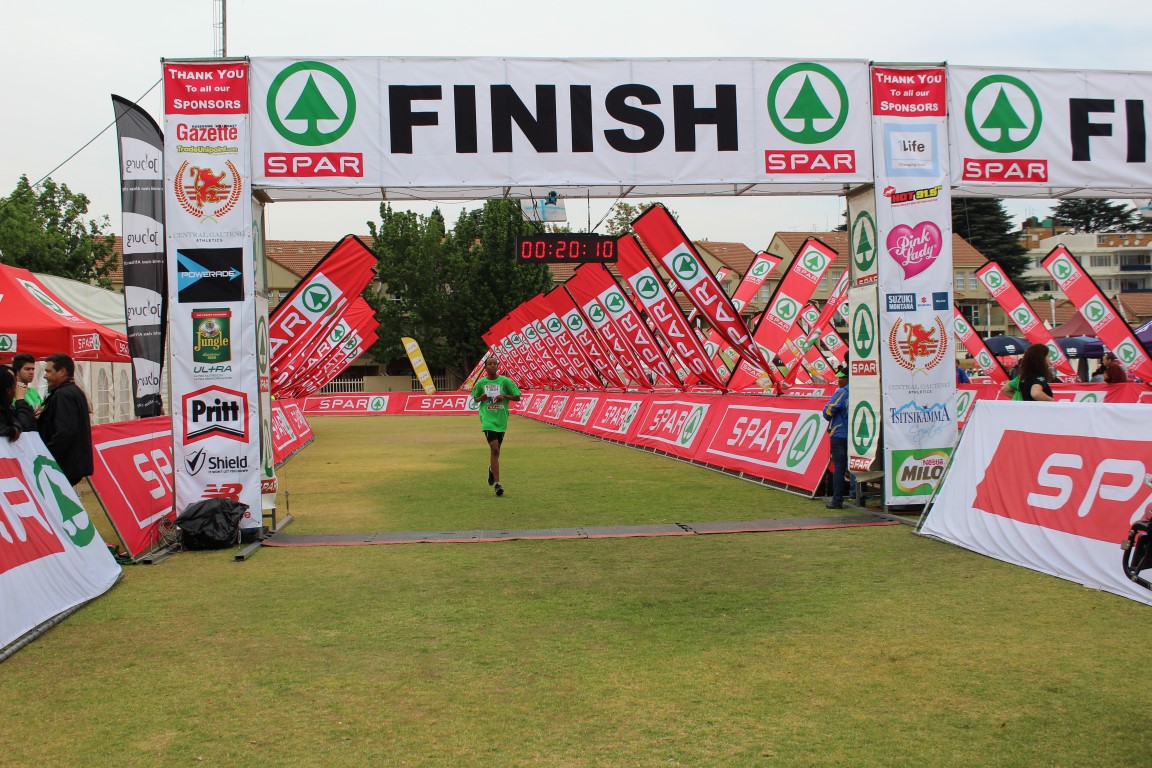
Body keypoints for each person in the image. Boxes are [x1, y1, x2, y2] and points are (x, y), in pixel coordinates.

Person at [37, 353, 93, 485]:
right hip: (71, 464)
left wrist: (45, 455)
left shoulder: (64, 394)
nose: (45, 376)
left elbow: (65, 432)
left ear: (62, 371)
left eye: (48, 371)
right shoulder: (73, 391)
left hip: (64, 465)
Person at [470, 357, 521, 497]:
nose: (492, 366)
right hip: (487, 419)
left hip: (501, 419)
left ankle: (492, 469)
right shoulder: (481, 383)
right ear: (485, 367)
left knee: (496, 451)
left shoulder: (505, 381)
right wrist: (481, 398)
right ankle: (498, 484)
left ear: (498, 366)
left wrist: (504, 396)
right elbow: (475, 398)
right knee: (494, 448)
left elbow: (517, 397)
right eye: (489, 364)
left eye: (495, 364)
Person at [822, 370, 849, 509]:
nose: (838, 380)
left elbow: (827, 412)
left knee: (839, 467)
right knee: (857, 465)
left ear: (846, 378)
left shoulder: (843, 392)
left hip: (840, 434)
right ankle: (857, 496)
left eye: (840, 378)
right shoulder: (862, 391)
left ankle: (837, 500)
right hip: (857, 434)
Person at [0, 366, 36, 442]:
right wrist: (20, 400)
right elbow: (24, 427)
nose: (17, 387)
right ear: (8, 390)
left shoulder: (8, 406)